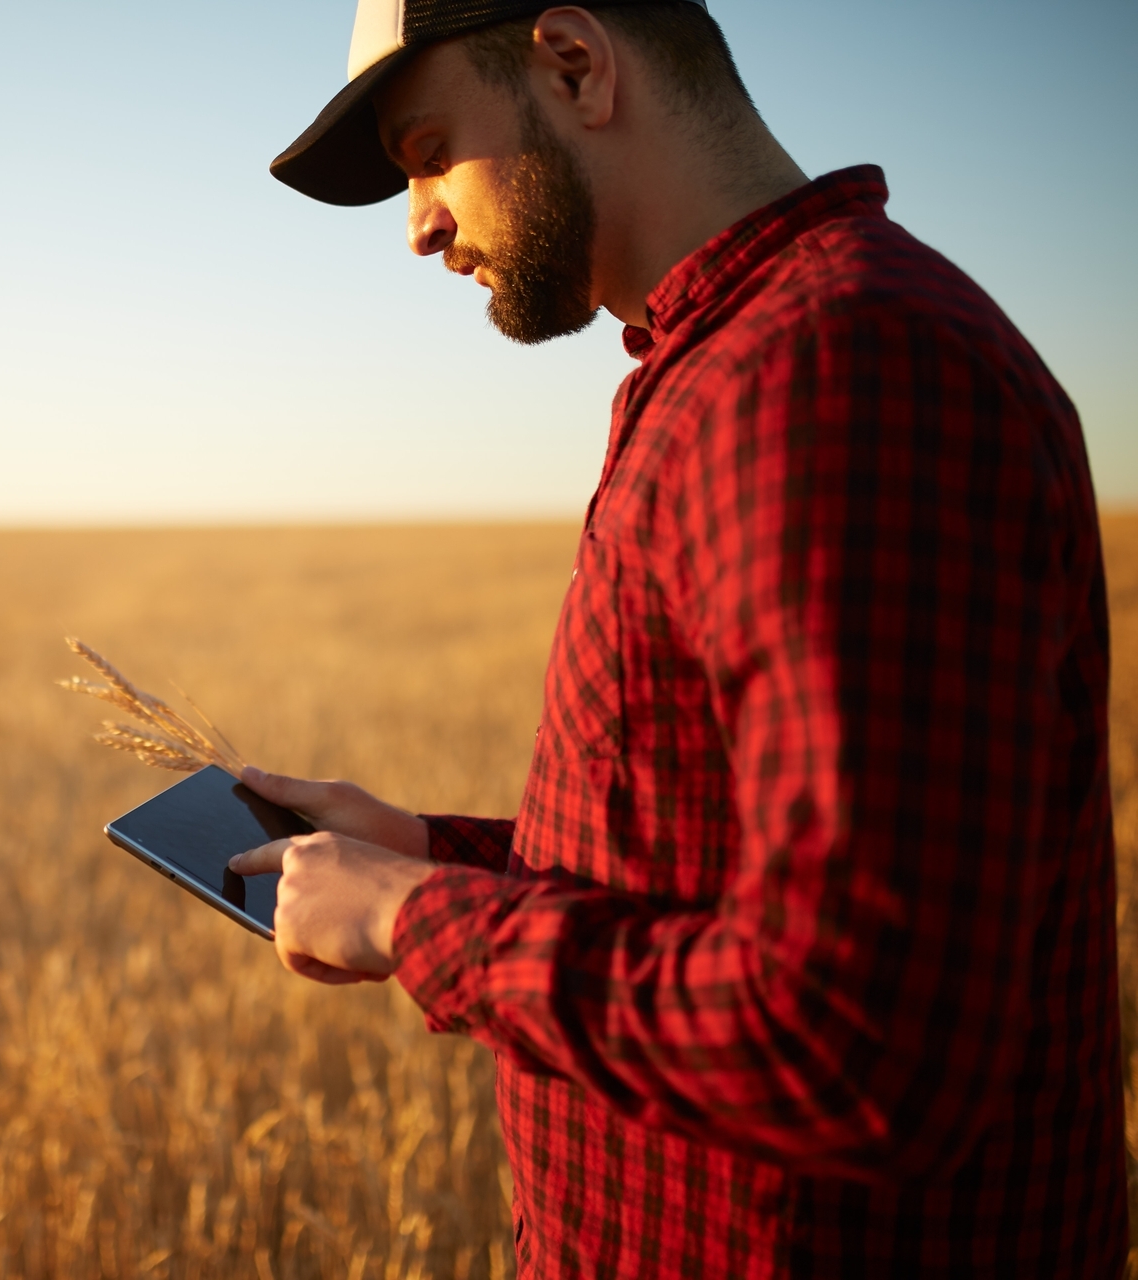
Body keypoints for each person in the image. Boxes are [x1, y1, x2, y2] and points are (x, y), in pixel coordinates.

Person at [224, 2, 1128, 1275]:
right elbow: (705, 872)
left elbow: (862, 1045)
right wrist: (430, 849)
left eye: (431, 151)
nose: (419, 223)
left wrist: (421, 921)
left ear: (578, 66)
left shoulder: (838, 366)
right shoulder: (730, 361)